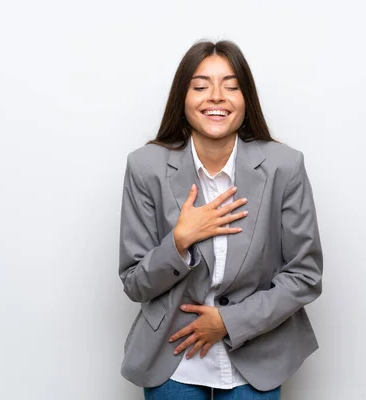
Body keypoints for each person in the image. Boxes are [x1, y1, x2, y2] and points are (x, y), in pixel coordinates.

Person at [118, 39, 323, 400]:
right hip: (172, 355)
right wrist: (178, 242)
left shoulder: (284, 167)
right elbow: (135, 283)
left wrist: (228, 322)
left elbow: (305, 276)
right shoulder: (144, 167)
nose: (215, 96)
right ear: (183, 98)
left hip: (257, 355)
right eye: (200, 86)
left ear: (246, 99)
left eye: (231, 86)